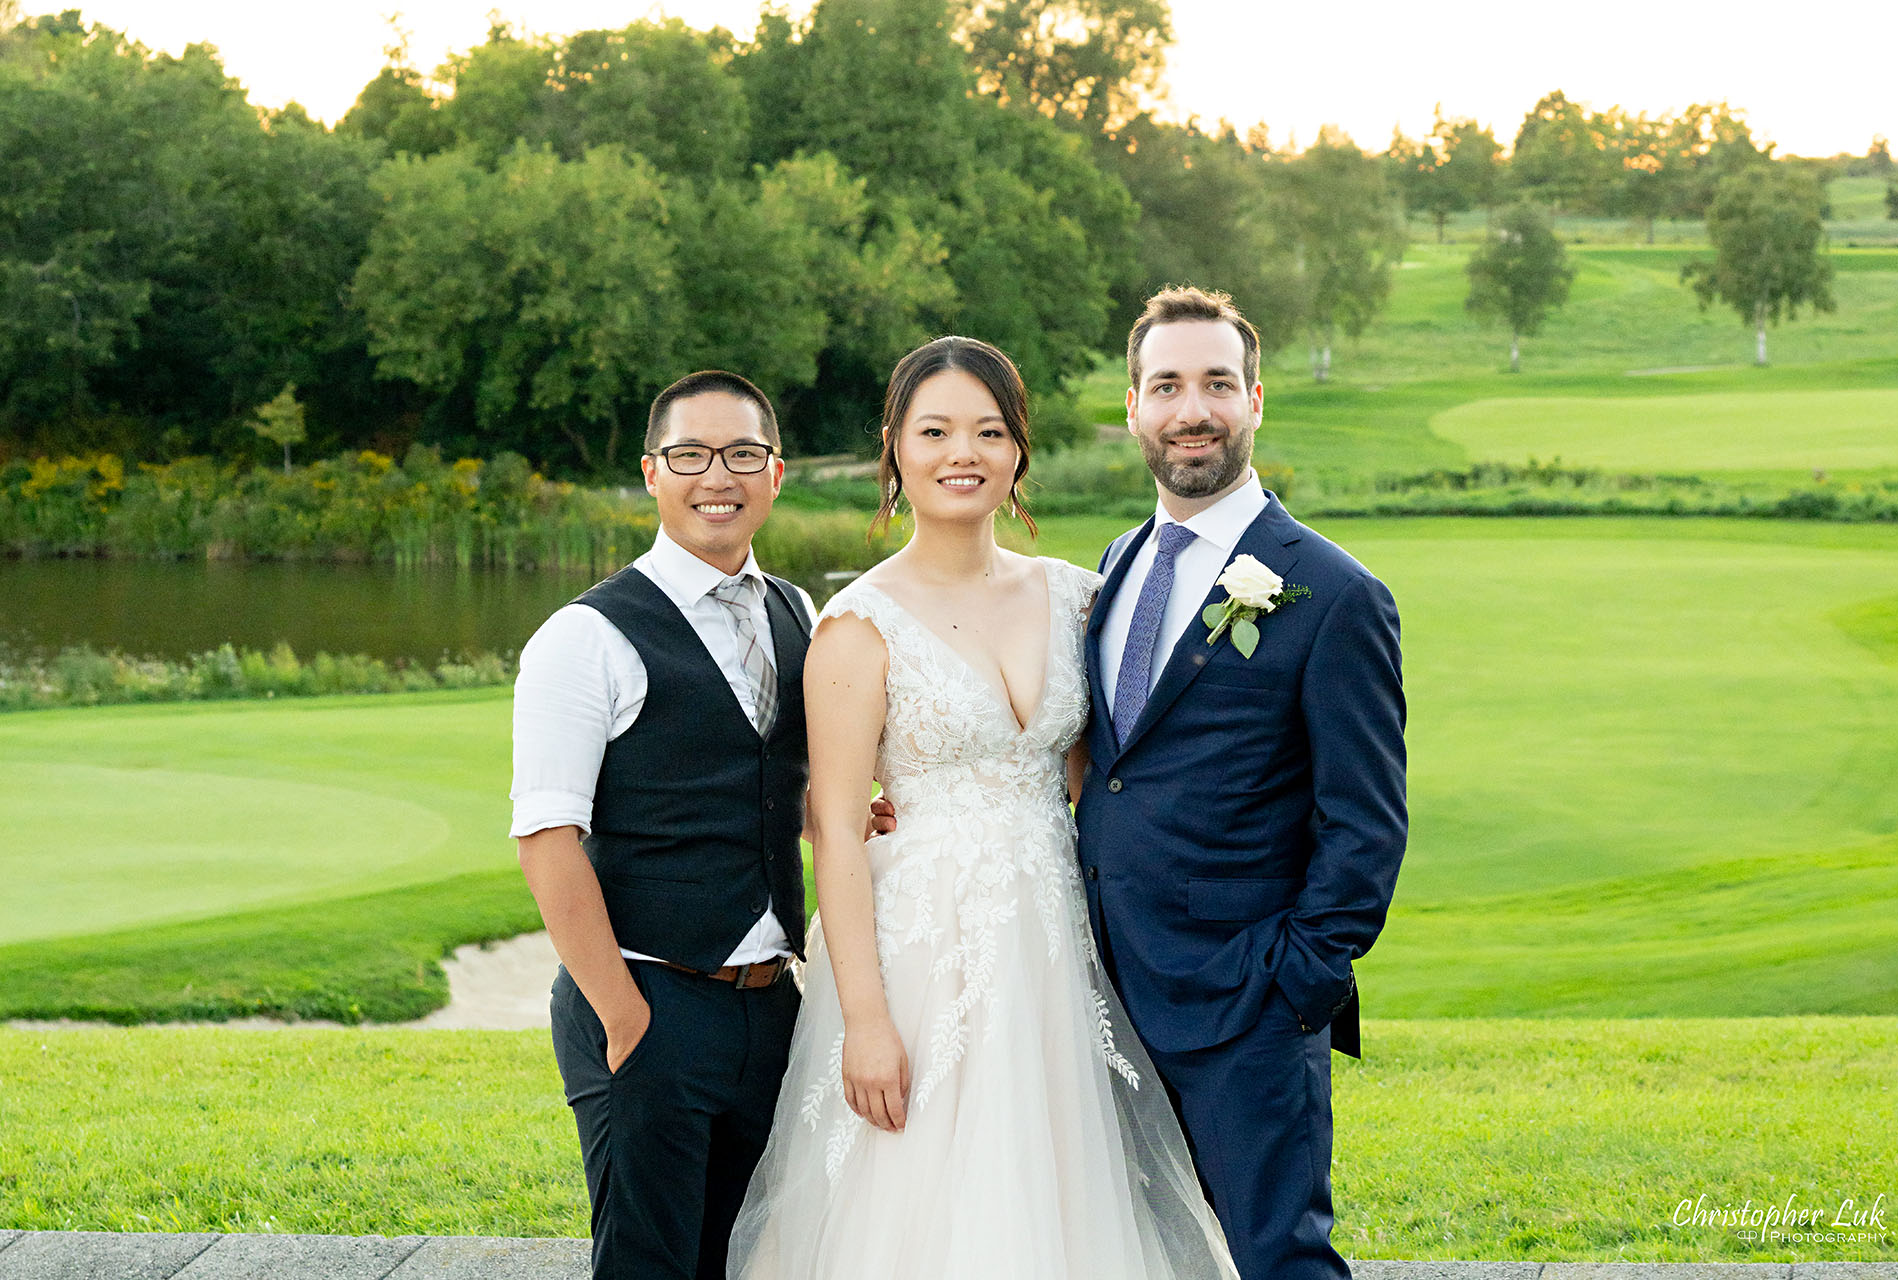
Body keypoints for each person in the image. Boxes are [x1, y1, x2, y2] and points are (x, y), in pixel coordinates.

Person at [728, 337, 1236, 1280]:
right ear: (895, 449)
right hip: (920, 966)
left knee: (1062, 1196)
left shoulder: (1081, 598)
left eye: (989, 431)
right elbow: (836, 832)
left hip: (1054, 952)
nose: (963, 452)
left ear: (1017, 452)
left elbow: (1104, 786)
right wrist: (868, 1024)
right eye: (935, 431)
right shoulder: (857, 628)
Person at [1075, 286, 1408, 1280]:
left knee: (1277, 1260)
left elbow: (1366, 822)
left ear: (1256, 400)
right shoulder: (1118, 562)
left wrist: (1294, 985)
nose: (1193, 409)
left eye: (1217, 383)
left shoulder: (1335, 593)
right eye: (1167, 385)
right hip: (1102, 995)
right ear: (1134, 406)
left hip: (1247, 1008)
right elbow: (1115, 768)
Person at [511, 370, 814, 1280]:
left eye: (741, 455)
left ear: (775, 473)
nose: (716, 476)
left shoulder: (797, 611)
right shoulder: (584, 635)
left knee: (749, 1257)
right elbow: (545, 838)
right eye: (690, 455)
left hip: (773, 1004)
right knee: (649, 1264)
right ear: (652, 472)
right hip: (649, 1000)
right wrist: (620, 1012)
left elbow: (769, 784)